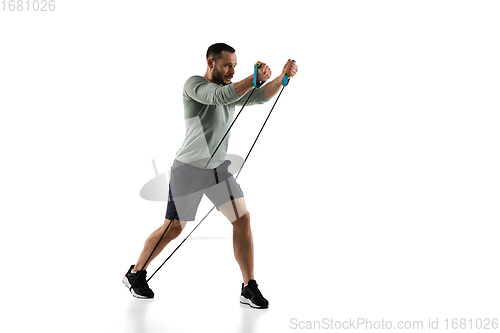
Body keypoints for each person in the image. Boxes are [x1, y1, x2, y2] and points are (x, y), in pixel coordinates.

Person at [122, 43, 298, 309]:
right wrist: (252, 79)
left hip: (217, 170)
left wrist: (280, 79)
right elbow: (219, 97)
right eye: (227, 65)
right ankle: (135, 273)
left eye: (235, 66)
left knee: (242, 218)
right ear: (211, 62)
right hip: (188, 169)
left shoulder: (230, 90)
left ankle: (248, 286)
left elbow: (258, 97)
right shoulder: (195, 85)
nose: (232, 70)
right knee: (174, 229)